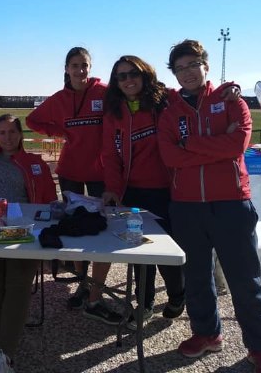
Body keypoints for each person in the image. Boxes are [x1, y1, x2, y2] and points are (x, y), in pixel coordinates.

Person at [157, 40, 261, 373]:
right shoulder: (170, 112)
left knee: (245, 281)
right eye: (179, 68)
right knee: (196, 279)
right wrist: (215, 146)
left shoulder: (231, 102)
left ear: (205, 66)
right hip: (186, 207)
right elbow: (170, 156)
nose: (187, 73)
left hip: (231, 204)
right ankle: (207, 334)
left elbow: (237, 143)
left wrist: (191, 145)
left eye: (192, 65)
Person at [25, 46, 116, 319]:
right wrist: (58, 131)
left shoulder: (105, 92)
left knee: (104, 230)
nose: (80, 70)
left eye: (84, 65)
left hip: (100, 172)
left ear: (90, 67)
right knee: (75, 227)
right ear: (66, 69)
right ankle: (82, 283)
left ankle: (96, 291)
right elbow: (32, 120)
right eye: (74, 65)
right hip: (70, 171)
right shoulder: (60, 98)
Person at [0, 114, 58, 372]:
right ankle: (1, 359)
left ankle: (3, 358)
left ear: (21, 135)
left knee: (17, 287)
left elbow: (48, 201)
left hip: (23, 235)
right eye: (2, 132)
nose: (8, 137)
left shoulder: (34, 162)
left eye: (13, 132)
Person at [101, 55, 185, 329]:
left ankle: (177, 295)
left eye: (132, 73)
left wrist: (228, 89)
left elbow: (199, 93)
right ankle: (144, 304)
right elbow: (111, 156)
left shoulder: (166, 99)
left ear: (145, 74)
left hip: (166, 191)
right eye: (121, 76)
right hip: (132, 193)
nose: (128, 80)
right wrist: (112, 189)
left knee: (168, 253)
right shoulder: (115, 111)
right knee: (138, 252)